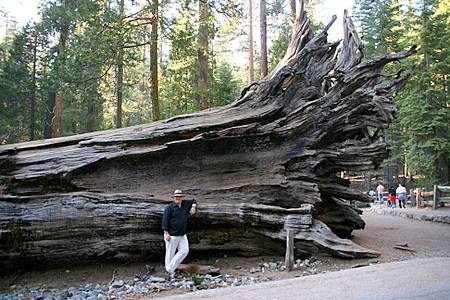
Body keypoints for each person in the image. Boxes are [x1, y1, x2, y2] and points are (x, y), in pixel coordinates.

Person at [162, 189, 197, 281]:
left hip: (182, 234)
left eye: (179, 197)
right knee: (170, 254)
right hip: (172, 235)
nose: (178, 198)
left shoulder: (185, 204)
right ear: (173, 198)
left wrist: (193, 207)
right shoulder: (169, 208)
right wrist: (166, 233)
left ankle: (169, 269)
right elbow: (165, 220)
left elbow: (194, 200)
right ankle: (170, 273)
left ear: (182, 198)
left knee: (184, 251)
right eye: (176, 197)